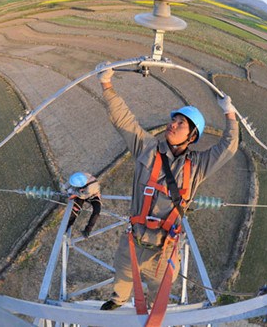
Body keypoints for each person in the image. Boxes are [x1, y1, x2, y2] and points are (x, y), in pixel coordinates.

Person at [95, 62, 239, 311]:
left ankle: (150, 309)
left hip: (164, 251)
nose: (172, 125)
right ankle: (118, 300)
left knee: (157, 296)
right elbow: (123, 119)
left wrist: (229, 114)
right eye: (174, 121)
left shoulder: (197, 166)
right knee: (123, 278)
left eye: (181, 124)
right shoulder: (147, 149)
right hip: (134, 241)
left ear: (192, 136)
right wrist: (106, 85)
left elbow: (229, 146)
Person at [62, 171, 102, 238]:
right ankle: (68, 225)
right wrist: (65, 188)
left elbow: (83, 196)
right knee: (76, 208)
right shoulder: (79, 176)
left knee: (97, 210)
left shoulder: (90, 188)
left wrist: (74, 194)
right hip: (81, 191)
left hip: (91, 194)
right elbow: (69, 183)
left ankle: (87, 230)